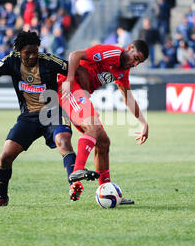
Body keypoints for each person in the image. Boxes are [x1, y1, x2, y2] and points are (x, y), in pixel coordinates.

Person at [0, 30, 77, 207]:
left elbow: (74, 66)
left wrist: (74, 88)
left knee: (64, 142)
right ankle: (2, 198)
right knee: (5, 157)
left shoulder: (49, 61)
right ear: (19, 51)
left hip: (53, 113)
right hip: (28, 117)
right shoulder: (11, 60)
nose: (32, 56)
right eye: (27, 53)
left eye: (35, 52)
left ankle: (74, 184)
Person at [59, 40, 150, 204]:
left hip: (82, 92)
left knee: (103, 143)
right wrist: (69, 79)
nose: (135, 63)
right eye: (135, 57)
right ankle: (77, 174)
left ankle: (107, 190)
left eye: (139, 62)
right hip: (69, 88)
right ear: (129, 48)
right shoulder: (111, 53)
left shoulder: (123, 71)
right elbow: (75, 55)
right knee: (92, 127)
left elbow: (128, 98)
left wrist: (143, 123)